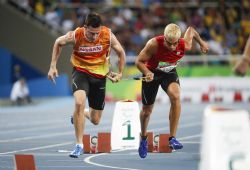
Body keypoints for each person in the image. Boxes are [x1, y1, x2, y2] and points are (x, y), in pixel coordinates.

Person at [47, 12, 126, 158]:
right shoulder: (76, 35)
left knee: (95, 120)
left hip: (100, 77)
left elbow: (121, 52)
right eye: (91, 33)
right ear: (85, 28)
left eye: (97, 33)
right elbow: (58, 42)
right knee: (79, 102)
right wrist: (53, 66)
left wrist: (120, 73)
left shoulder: (107, 35)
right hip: (81, 72)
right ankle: (79, 145)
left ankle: (81, 114)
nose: (95, 37)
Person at [135, 23, 209, 158]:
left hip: (169, 73)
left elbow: (191, 30)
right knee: (146, 111)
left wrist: (202, 43)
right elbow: (138, 61)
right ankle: (144, 138)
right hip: (151, 73)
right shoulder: (153, 44)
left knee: (176, 96)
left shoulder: (184, 44)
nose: (173, 47)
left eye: (175, 43)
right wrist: (146, 71)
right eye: (169, 44)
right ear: (164, 38)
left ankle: (172, 138)